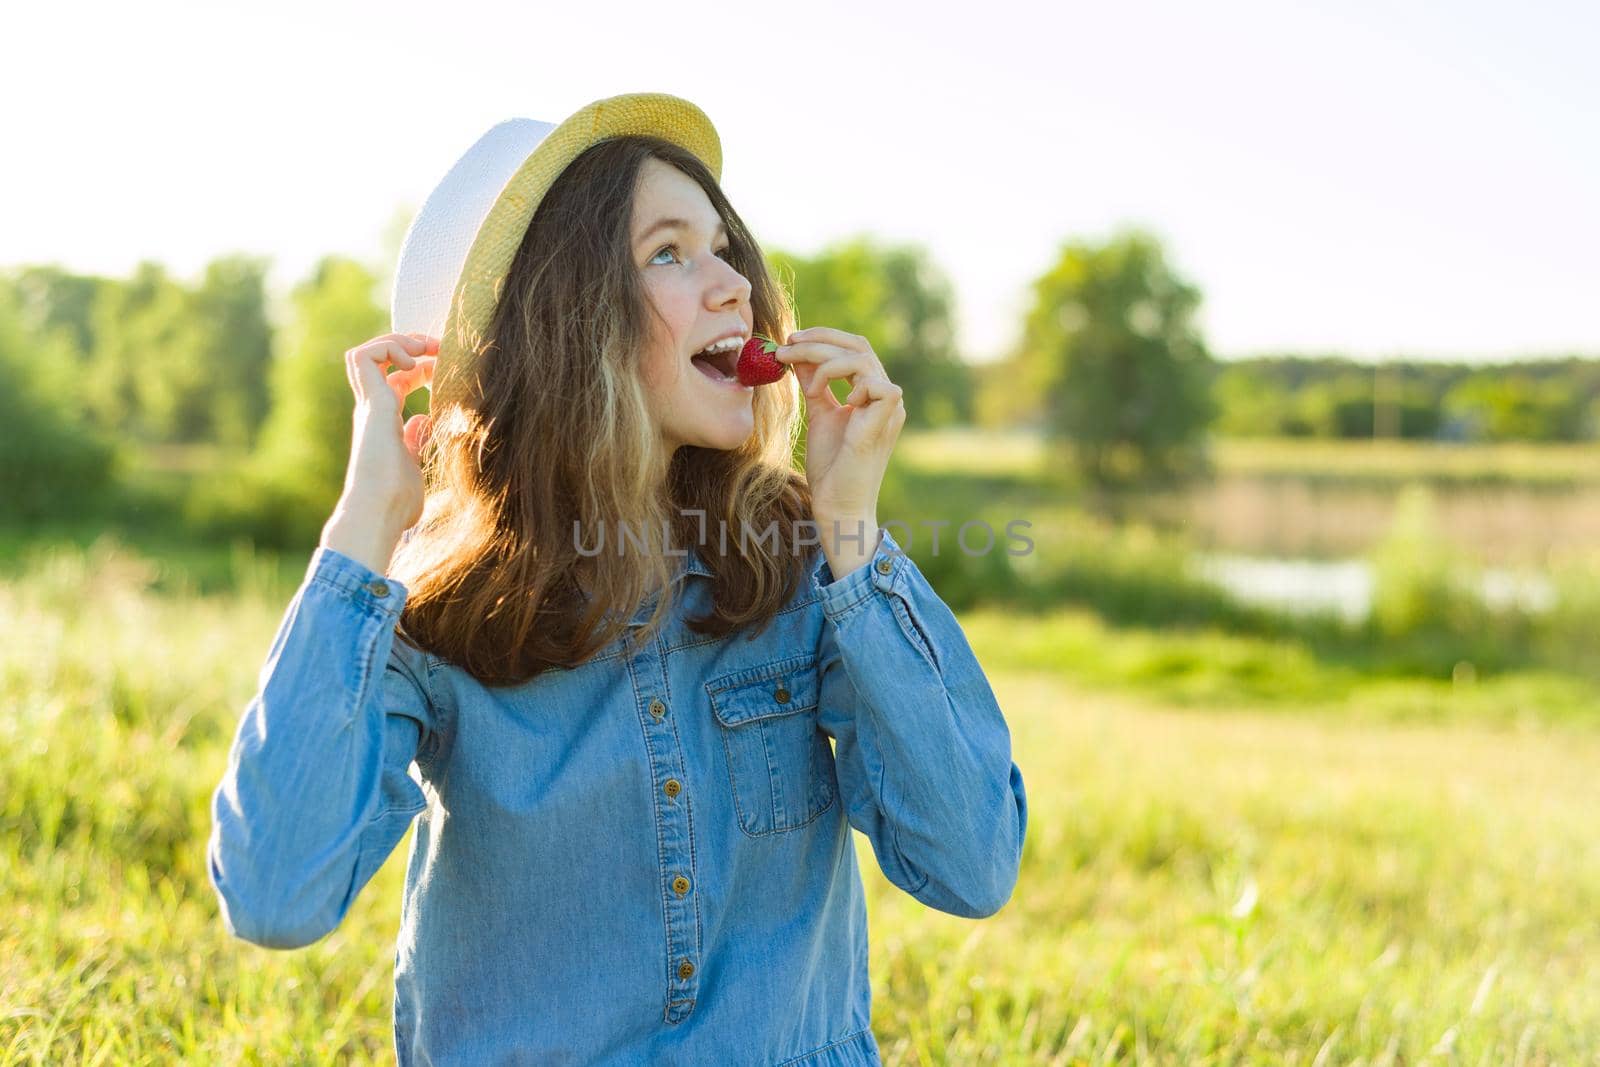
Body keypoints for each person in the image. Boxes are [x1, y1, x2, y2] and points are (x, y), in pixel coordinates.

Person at [206, 91, 1027, 1067]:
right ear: (565, 317)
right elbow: (274, 893)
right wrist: (361, 530)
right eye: (670, 253)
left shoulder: (801, 570)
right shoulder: (434, 617)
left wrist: (852, 531)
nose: (735, 286)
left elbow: (971, 863)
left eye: (724, 249)